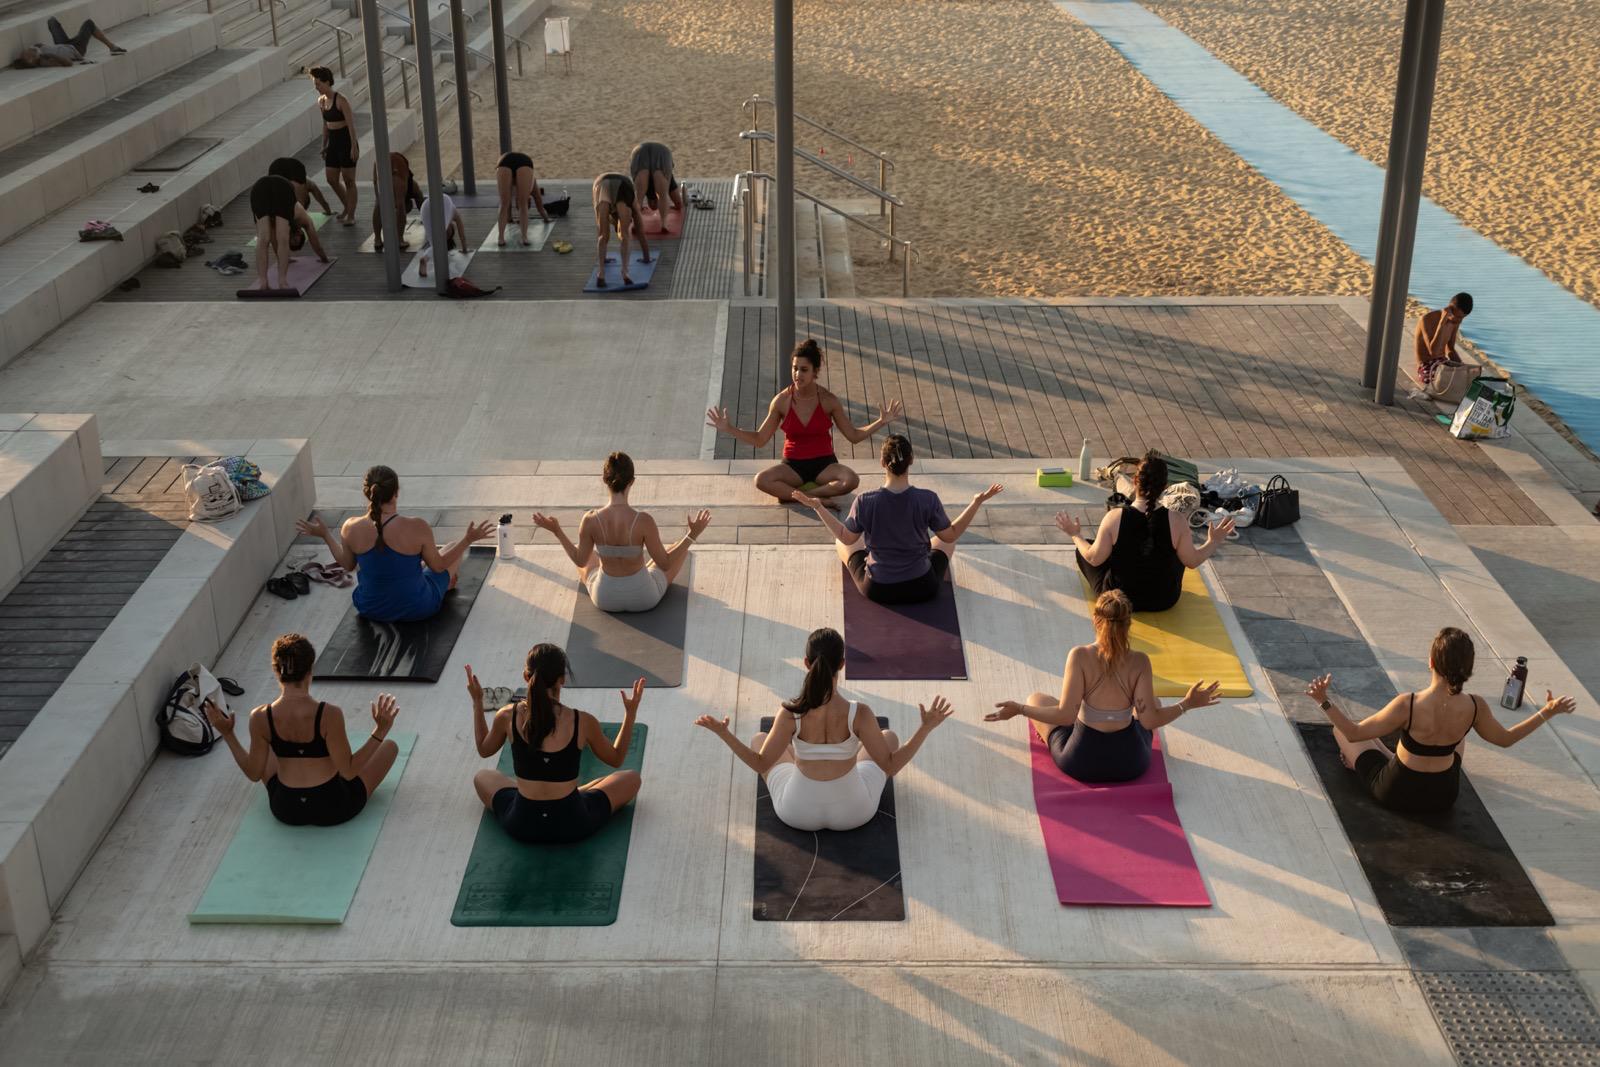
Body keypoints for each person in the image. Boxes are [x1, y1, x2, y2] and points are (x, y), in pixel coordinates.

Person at [694, 627, 953, 832]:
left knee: (759, 739)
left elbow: (760, 764)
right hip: (855, 812)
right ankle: (812, 754)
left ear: (806, 663)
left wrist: (723, 733)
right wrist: (925, 728)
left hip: (796, 812)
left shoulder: (790, 714)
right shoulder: (859, 713)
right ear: (842, 664)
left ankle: (800, 756)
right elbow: (891, 766)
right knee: (889, 737)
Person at [1308, 627, 1577, 814]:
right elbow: (1506, 739)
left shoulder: (1408, 703)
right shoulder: (1475, 706)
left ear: (1431, 662)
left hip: (1397, 792)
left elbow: (1353, 732)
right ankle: (1388, 755)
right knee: (1458, 738)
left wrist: (1324, 701)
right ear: (1468, 669)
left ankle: (1368, 763)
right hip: (1443, 796)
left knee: (1342, 733)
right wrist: (1547, 711)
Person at [987, 589, 1221, 782]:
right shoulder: (1139, 661)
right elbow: (1150, 721)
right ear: (1129, 624)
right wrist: (1186, 704)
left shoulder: (1079, 656)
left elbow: (1065, 716)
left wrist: (1019, 709)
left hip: (1081, 761)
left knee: (1036, 699)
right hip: (1131, 763)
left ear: (1095, 620)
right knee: (1154, 704)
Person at [203, 633, 401, 826]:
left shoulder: (260, 717)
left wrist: (228, 733)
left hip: (286, 809)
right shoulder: (329, 714)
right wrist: (380, 731)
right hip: (334, 807)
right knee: (390, 747)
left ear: (276, 671)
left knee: (267, 744)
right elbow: (348, 771)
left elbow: (254, 774)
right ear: (310, 670)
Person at [793, 433, 1001, 604]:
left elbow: (845, 537)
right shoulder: (927, 499)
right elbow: (950, 535)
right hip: (921, 587)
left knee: (842, 541)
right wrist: (976, 502)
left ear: (882, 462)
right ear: (911, 461)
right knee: (944, 540)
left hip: (878, 589)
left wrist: (819, 507)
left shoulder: (866, 501)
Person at [466, 646, 642, 844]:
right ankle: (571, 791)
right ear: (562, 679)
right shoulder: (582, 721)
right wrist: (630, 714)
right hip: (573, 824)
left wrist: (477, 701)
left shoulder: (507, 715)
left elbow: (483, 749)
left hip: (522, 824)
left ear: (526, 676)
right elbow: (616, 758)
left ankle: (545, 790)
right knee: (631, 778)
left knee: (483, 776)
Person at [705, 338, 903, 506]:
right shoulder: (781, 401)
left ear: (815, 371)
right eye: (794, 368)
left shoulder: (828, 400)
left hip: (824, 464)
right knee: (761, 480)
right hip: (793, 466)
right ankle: (816, 498)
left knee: (851, 480)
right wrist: (729, 428)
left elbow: (853, 436)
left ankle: (803, 497)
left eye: (804, 369)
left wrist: (881, 421)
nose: (797, 374)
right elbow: (760, 439)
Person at [294, 465, 494, 623]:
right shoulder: (417, 527)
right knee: (451, 547)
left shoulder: (350, 527)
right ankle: (438, 584)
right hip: (419, 608)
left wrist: (325, 535)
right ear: (396, 492)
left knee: (413, 566)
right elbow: (440, 566)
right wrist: (467, 540)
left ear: (367, 494)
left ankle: (425, 575)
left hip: (370, 608)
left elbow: (347, 566)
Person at [531, 452, 711, 613]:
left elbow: (579, 559)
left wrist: (557, 531)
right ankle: (649, 568)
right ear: (632, 481)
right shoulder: (643, 521)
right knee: (676, 549)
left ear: (604, 480)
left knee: (588, 558)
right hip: (644, 598)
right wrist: (691, 535)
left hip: (605, 598)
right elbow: (665, 563)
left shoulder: (590, 520)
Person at [1055, 450, 1233, 612]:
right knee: (1178, 553)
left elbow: (1094, 559)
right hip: (1164, 599)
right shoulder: (1177, 520)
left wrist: (1075, 534)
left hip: (1119, 600)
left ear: (1134, 481)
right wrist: (1213, 541)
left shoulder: (1114, 517)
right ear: (1165, 486)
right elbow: (1192, 561)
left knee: (1085, 548)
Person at [248, 174, 329, 290]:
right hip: (280, 187)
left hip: (260, 187)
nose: (293, 237)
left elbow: (276, 244)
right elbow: (314, 240)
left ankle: (266, 282)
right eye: (296, 239)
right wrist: (324, 258)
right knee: (272, 239)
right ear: (301, 233)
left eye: (293, 241)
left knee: (264, 238)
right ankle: (274, 282)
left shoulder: (278, 225)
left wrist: (286, 258)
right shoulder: (303, 218)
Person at [310, 67, 357, 225]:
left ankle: (351, 215)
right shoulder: (321, 101)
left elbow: (351, 125)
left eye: (318, 84)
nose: (316, 87)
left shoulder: (341, 100)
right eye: (315, 84)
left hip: (345, 141)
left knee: (349, 180)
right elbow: (325, 125)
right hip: (333, 143)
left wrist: (353, 147)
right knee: (331, 179)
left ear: (327, 82)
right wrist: (324, 145)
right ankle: (347, 206)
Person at [591, 172, 651, 287]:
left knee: (603, 235)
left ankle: (601, 274)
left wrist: (604, 258)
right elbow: (641, 232)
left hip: (601, 183)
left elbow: (600, 232)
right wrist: (646, 257)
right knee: (625, 235)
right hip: (623, 185)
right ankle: (625, 273)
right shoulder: (633, 206)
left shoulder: (621, 209)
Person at [12, 16, 124, 66]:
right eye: (27, 54)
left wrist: (37, 47)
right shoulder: (45, 60)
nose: (27, 50)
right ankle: (112, 47)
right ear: (33, 59)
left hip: (63, 44)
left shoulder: (37, 51)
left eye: (26, 51)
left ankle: (112, 46)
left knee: (52, 21)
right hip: (76, 49)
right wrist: (49, 54)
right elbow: (68, 63)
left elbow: (36, 47)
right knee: (89, 23)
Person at [1415, 292, 1473, 387]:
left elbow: (1450, 349)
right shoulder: (1426, 320)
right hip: (1426, 365)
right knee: (1446, 382)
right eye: (1458, 317)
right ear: (1450, 309)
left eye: (1463, 318)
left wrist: (1462, 367)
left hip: (1442, 363)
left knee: (1468, 380)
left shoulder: (1455, 322)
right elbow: (1433, 352)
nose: (1460, 321)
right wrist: (1442, 323)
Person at [370, 151, 424, 253]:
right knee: (399, 204)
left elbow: (374, 182)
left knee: (379, 203)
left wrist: (378, 198)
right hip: (396, 166)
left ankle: (377, 240)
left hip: (380, 162)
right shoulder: (410, 188)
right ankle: (399, 240)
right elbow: (414, 200)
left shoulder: (409, 186)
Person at [495, 150, 552, 246]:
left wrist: (510, 219)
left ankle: (507, 238)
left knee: (506, 203)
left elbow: (539, 206)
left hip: (506, 160)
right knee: (515, 204)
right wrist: (546, 219)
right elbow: (539, 205)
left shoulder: (529, 186)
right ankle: (519, 237)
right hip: (521, 161)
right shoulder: (532, 185)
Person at [628, 141, 684, 231]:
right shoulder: (670, 182)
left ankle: (636, 223)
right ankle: (664, 224)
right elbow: (678, 203)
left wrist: (640, 206)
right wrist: (675, 205)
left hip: (640, 151)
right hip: (661, 152)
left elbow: (678, 203)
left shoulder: (645, 187)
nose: (653, 207)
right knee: (663, 194)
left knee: (639, 196)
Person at [417, 192, 468, 278]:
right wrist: (464, 249)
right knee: (436, 243)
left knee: (435, 243)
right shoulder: (452, 211)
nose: (448, 232)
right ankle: (425, 258)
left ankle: (425, 259)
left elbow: (461, 231)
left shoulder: (451, 213)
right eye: (450, 233)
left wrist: (464, 248)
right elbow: (461, 233)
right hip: (442, 201)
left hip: (426, 206)